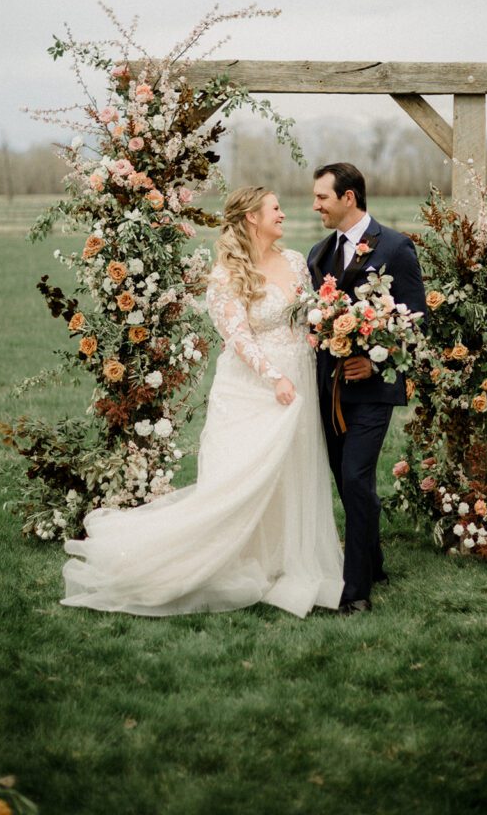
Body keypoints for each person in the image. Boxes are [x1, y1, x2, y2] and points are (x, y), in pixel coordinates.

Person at [61, 186, 344, 618]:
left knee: (295, 468)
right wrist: (275, 379)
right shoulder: (224, 277)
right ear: (252, 217)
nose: (284, 214)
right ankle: (217, 559)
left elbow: (308, 318)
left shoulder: (293, 262)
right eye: (275, 208)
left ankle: (288, 558)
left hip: (301, 375)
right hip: (256, 386)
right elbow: (238, 337)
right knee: (244, 479)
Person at [308, 163, 427, 615]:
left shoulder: (395, 247)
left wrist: (372, 363)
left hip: (372, 391)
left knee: (357, 478)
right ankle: (373, 560)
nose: (315, 204)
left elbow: (417, 319)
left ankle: (355, 591)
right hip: (329, 392)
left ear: (349, 198)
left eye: (322, 197)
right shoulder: (318, 254)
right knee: (347, 481)